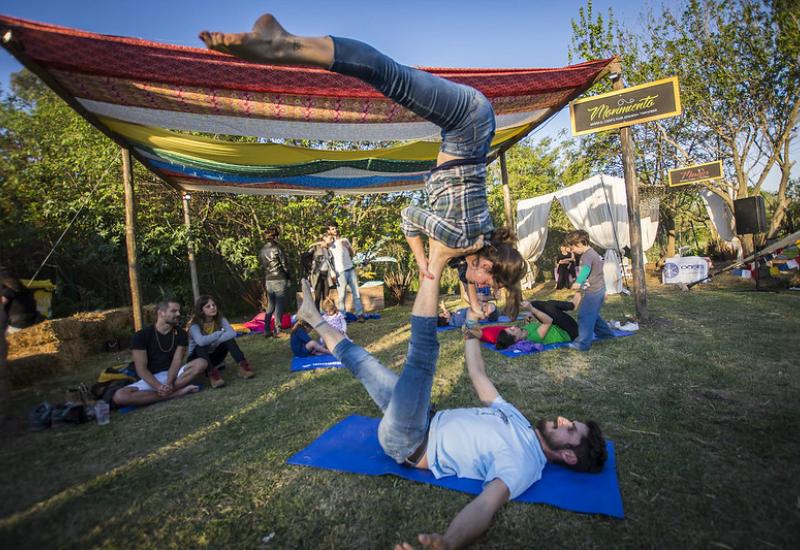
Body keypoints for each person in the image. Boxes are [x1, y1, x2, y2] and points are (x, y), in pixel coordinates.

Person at [199, 15, 526, 318]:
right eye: (490, 285)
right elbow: (409, 215)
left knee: (388, 75)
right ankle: (282, 42)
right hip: (466, 122)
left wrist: (478, 300)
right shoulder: (458, 237)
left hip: (471, 127)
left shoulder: (478, 240)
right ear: (485, 265)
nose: (485, 289)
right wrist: (423, 261)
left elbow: (468, 271)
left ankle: (283, 41)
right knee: (386, 73)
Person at [292, 236, 606, 549]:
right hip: (423, 415)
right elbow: (478, 375)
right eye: (572, 421)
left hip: (412, 438)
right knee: (364, 363)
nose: (564, 419)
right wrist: (471, 326)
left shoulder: (525, 465)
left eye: (571, 429)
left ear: (567, 454)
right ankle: (314, 317)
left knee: (423, 357)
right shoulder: (520, 423)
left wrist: (449, 542)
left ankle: (438, 258)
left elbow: (486, 506)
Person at [112, 299, 207, 407]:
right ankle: (175, 393)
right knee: (119, 396)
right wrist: (158, 386)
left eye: (179, 311)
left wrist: (169, 382)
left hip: (173, 376)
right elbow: (141, 368)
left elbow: (177, 361)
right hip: (150, 378)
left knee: (201, 363)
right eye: (174, 311)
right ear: (161, 313)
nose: (178, 314)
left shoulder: (181, 334)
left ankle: (164, 393)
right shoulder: (141, 336)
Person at [186, 295, 254, 388]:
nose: (212, 308)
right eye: (208, 306)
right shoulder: (195, 325)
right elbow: (201, 341)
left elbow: (232, 333)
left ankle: (243, 366)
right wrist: (218, 334)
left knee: (228, 339)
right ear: (201, 311)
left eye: (213, 305)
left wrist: (213, 341)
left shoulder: (220, 319)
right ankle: (213, 375)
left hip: (213, 356)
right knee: (200, 346)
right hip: (197, 360)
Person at [565, 230, 615, 351]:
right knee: (592, 315)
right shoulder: (592, 253)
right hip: (598, 290)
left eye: (572, 248)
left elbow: (586, 270)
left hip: (594, 292)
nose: (572, 251)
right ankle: (606, 335)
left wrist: (578, 282)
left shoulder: (587, 255)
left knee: (585, 316)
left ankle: (582, 344)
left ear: (580, 244)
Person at [494, 297, 580, 350]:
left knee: (538, 305)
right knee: (540, 305)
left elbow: (528, 324)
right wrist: (531, 309)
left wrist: (530, 314)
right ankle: (572, 305)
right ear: (516, 339)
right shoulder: (533, 337)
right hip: (570, 332)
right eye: (512, 330)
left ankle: (570, 305)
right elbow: (548, 321)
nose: (513, 326)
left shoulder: (523, 331)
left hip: (559, 327)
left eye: (510, 327)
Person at [326, 222, 365, 322]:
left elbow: (352, 254)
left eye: (336, 228)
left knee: (356, 293)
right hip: (340, 272)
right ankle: (342, 317)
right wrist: (332, 273)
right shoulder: (329, 244)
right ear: (329, 231)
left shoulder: (345, 240)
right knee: (342, 296)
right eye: (332, 229)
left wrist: (348, 247)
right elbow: (328, 260)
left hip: (351, 269)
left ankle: (360, 315)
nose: (335, 230)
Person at [259, 226, 292, 338]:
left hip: (268, 279)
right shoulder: (278, 248)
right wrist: (288, 277)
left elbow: (263, 265)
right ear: (276, 236)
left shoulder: (262, 250)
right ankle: (278, 330)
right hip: (279, 278)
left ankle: (267, 329)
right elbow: (284, 265)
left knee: (271, 305)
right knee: (279, 305)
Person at [308, 233, 337, 311]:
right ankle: (317, 314)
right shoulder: (316, 248)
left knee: (326, 297)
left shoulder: (329, 250)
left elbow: (332, 263)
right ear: (324, 238)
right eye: (330, 239)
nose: (332, 240)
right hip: (318, 275)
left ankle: (326, 314)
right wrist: (310, 268)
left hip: (327, 276)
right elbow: (308, 250)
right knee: (317, 297)